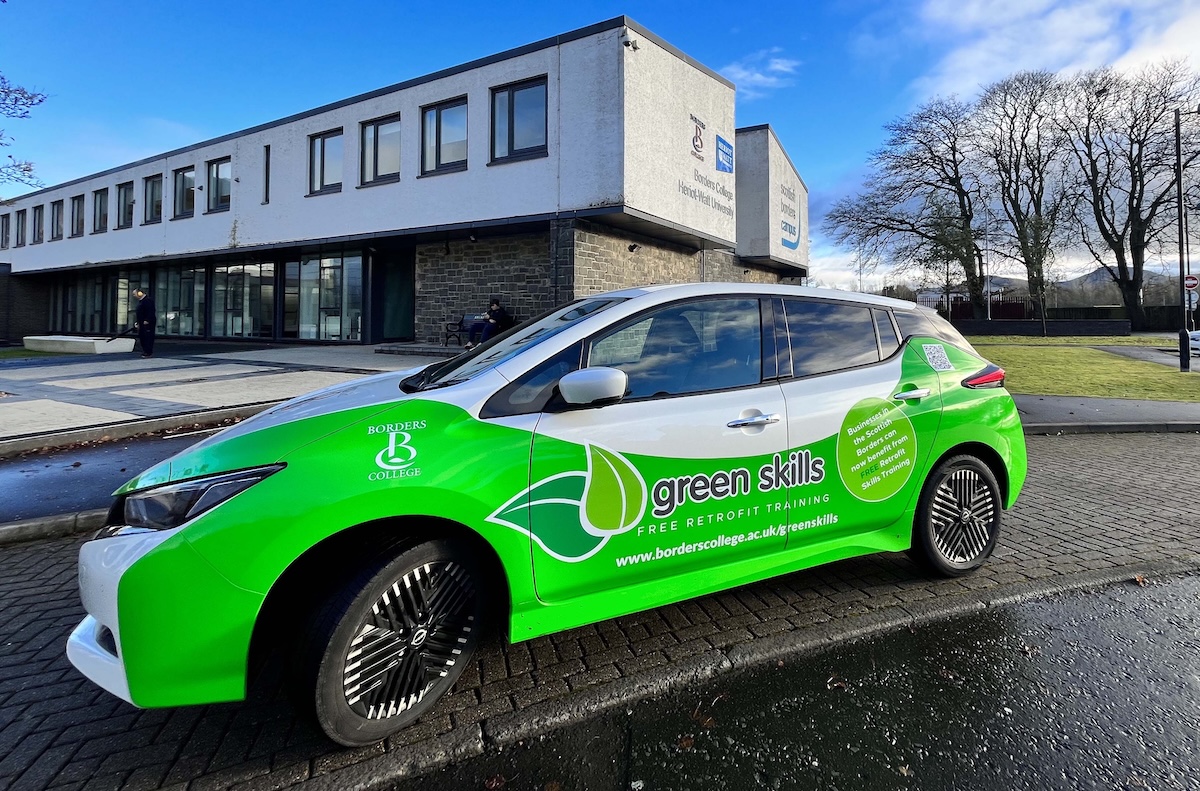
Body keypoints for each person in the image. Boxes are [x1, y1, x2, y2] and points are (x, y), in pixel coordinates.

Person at [134, 288, 157, 358]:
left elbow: (151, 311)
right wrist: (138, 322)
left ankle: (148, 352)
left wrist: (147, 320)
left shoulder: (148, 301)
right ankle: (145, 351)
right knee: (143, 337)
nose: (134, 296)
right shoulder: (141, 301)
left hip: (147, 323)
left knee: (148, 337)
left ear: (140, 293)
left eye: (135, 294)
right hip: (142, 323)